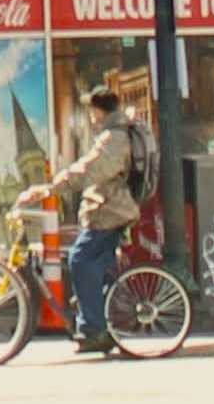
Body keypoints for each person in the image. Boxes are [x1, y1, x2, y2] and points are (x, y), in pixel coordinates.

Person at [61, 81, 151, 357]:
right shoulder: (115, 132)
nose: (90, 117)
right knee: (96, 264)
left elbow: (93, 169)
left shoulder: (114, 137)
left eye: (91, 111)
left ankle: (94, 328)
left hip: (110, 211)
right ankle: (99, 311)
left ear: (97, 111)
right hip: (112, 209)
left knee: (79, 258)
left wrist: (57, 183)